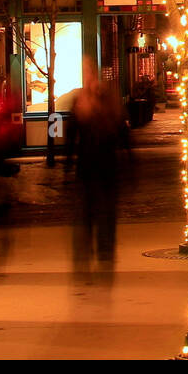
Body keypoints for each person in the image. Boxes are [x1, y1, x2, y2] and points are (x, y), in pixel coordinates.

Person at [69, 62, 129, 283]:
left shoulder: (104, 102)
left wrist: (128, 160)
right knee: (87, 214)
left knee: (102, 213)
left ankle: (102, 254)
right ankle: (88, 255)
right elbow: (71, 134)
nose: (87, 77)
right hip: (89, 168)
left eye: (89, 72)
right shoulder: (80, 101)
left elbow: (121, 132)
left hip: (104, 168)